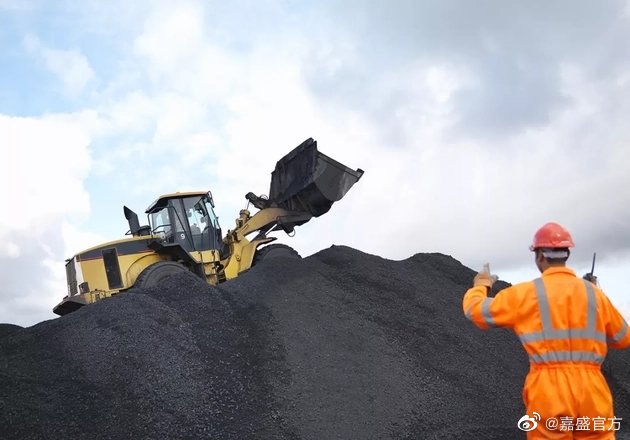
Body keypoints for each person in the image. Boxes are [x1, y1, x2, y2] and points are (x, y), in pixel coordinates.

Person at [462, 222, 630, 439]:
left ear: (540, 256)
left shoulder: (525, 294)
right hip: (593, 391)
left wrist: (481, 284)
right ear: (567, 254)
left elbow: (475, 311)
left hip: (550, 391)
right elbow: (623, 338)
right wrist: (595, 297)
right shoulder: (594, 295)